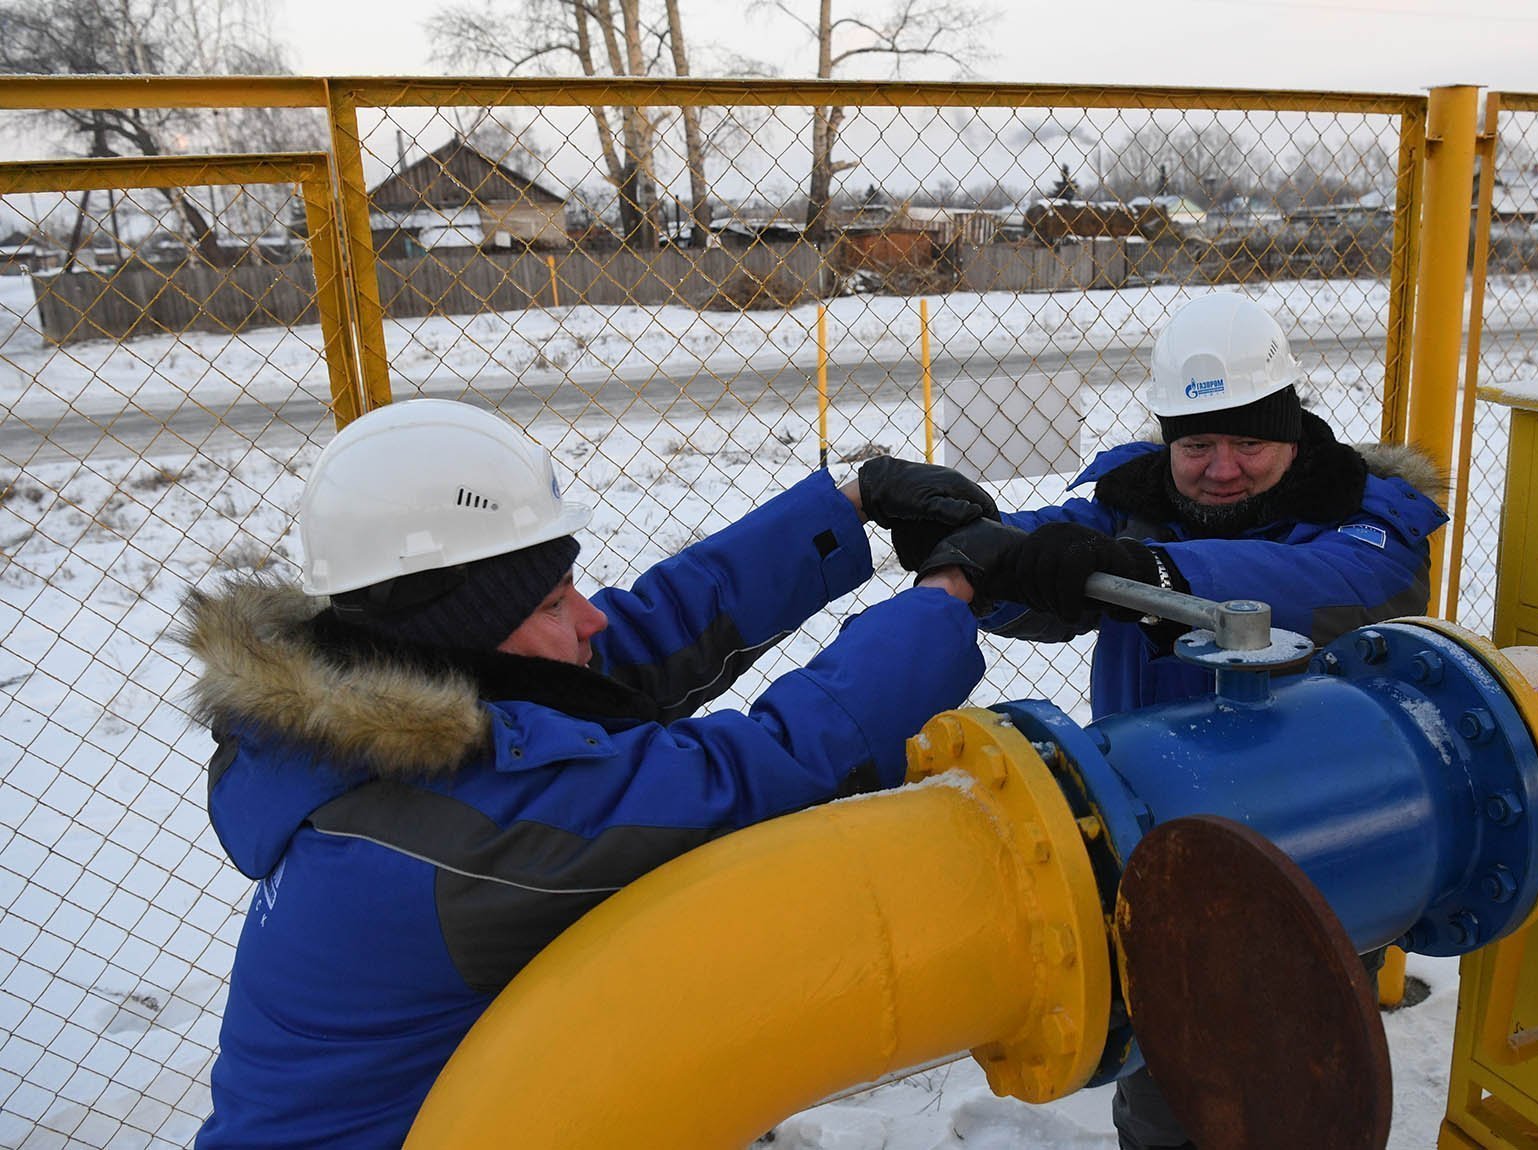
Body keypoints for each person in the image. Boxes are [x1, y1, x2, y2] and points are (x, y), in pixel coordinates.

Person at [183, 399, 995, 1147]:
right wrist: (946, 598)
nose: (590, 617)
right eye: (549, 603)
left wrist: (846, 508)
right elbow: (763, 773)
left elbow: (616, 653)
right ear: (461, 640)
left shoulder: (358, 722)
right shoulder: (460, 836)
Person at [910, 292, 1447, 1150]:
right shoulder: (1131, 504)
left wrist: (1149, 569)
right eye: (1198, 443)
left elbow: (1342, 587)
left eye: (1250, 442)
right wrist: (974, 551)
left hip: (1320, 840)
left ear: (1295, 433)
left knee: (1297, 1069)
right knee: (1171, 1072)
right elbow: (1050, 563)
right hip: (1154, 834)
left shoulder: (1366, 517)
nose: (1222, 468)